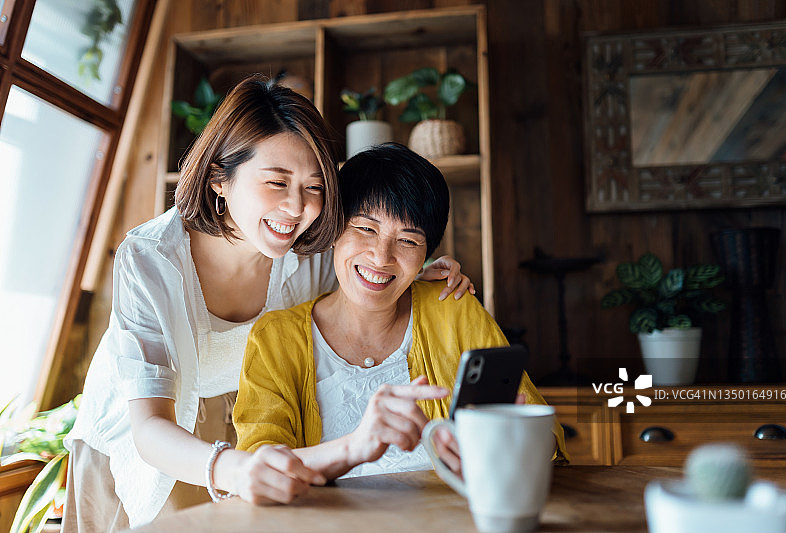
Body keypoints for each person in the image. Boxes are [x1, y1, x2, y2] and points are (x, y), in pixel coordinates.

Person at [62, 77, 473, 532]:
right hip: (144, 436)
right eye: (277, 182)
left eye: (314, 187)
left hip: (245, 427)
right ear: (219, 177)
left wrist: (422, 272)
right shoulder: (149, 258)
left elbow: (371, 265)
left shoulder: (311, 252)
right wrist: (234, 468)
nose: (296, 208)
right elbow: (148, 427)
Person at [234, 143, 568, 482]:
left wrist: (512, 441)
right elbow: (257, 467)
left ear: (426, 253)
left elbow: (545, 433)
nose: (381, 258)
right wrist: (353, 446)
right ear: (334, 229)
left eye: (408, 241)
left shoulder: (452, 310)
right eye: (366, 229)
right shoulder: (275, 338)